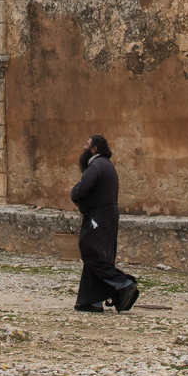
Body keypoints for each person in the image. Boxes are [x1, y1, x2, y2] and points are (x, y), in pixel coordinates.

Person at [70, 134, 138, 313]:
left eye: (87, 144)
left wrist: (74, 192)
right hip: (105, 215)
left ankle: (123, 283)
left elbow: (82, 188)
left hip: (98, 216)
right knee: (97, 254)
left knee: (92, 252)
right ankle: (90, 301)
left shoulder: (97, 165)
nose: (83, 148)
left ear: (94, 149)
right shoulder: (106, 165)